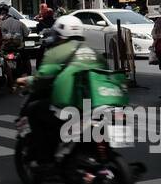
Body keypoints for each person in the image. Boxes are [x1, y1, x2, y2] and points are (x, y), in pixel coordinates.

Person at [14, 15, 103, 163]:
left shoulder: (56, 52)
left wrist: (25, 81)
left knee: (34, 110)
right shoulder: (93, 51)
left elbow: (41, 79)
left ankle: (45, 158)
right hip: (96, 104)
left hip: (70, 105)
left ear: (60, 34)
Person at [0, 3, 31, 74]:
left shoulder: (0, 24)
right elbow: (26, 33)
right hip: (18, 48)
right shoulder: (20, 23)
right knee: (26, 59)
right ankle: (27, 73)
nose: (2, 14)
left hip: (5, 49)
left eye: (3, 12)